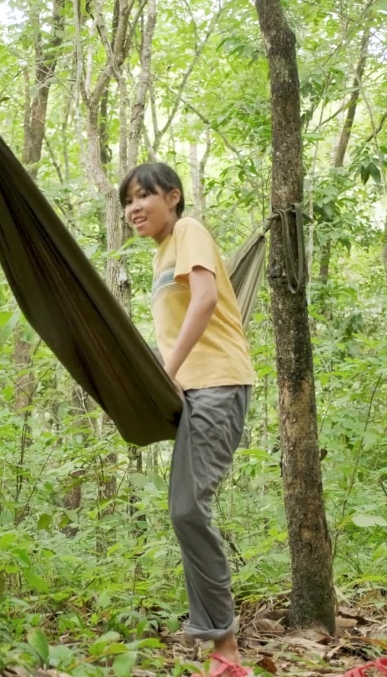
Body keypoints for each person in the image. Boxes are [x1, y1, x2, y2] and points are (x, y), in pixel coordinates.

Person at [120, 162, 254, 677]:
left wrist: (169, 371)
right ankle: (220, 647)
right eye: (127, 200)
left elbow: (206, 298)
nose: (133, 208)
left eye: (143, 196)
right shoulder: (161, 254)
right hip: (193, 393)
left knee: (188, 511)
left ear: (172, 197)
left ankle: (227, 651)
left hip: (217, 383)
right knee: (183, 511)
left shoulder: (188, 231)